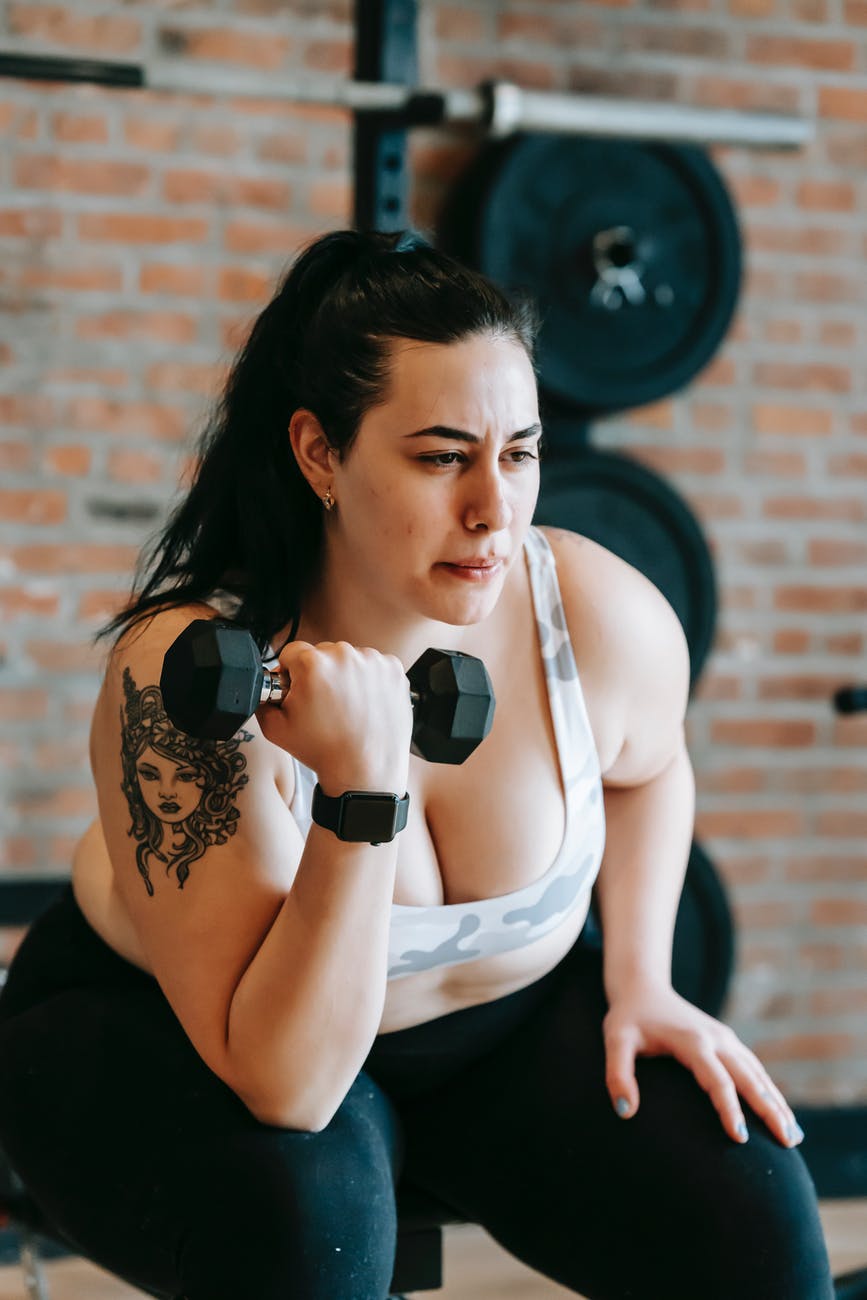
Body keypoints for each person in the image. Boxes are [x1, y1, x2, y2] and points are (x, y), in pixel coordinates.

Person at [0, 228, 834, 1300]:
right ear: (320, 455)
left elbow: (652, 771)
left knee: (754, 1224)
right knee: (316, 1229)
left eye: (520, 451)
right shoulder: (192, 677)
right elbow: (289, 1081)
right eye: (443, 456)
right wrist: (360, 791)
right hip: (181, 1045)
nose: (494, 508)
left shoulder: (589, 613)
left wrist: (643, 979)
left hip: (496, 1042)